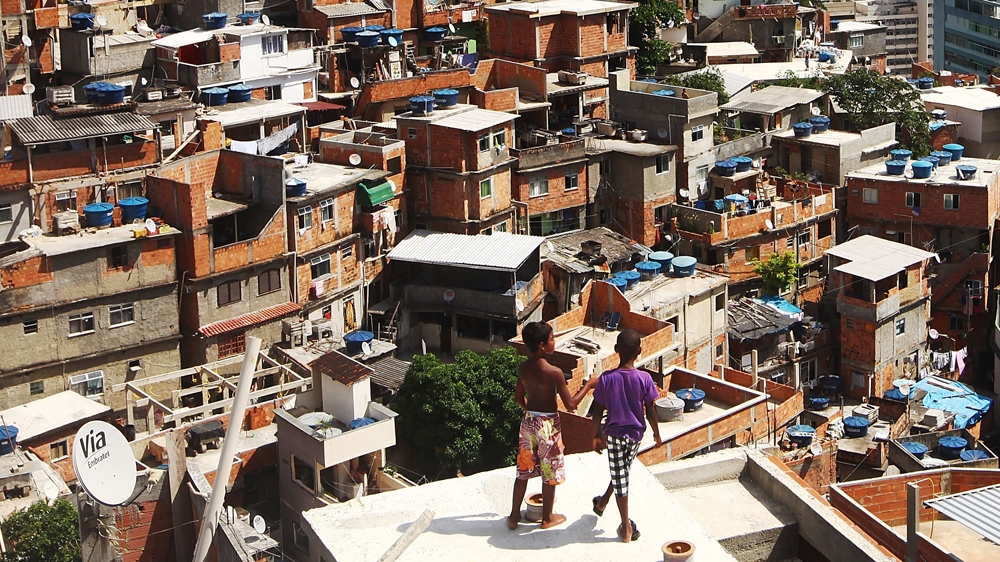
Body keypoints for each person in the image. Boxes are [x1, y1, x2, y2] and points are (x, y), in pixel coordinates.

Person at [508, 321, 599, 530]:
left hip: (529, 422)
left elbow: (518, 398)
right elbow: (571, 404)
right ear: (542, 345)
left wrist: (531, 412)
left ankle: (513, 517)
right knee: (549, 472)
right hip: (548, 425)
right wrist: (589, 385)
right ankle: (547, 518)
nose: (554, 342)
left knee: (523, 469)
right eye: (551, 339)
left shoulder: (523, 368)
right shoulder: (554, 372)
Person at [590, 329, 662, 543]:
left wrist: (595, 435)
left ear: (616, 350)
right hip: (636, 435)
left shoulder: (606, 378)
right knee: (622, 471)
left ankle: (626, 528)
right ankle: (602, 502)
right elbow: (651, 410)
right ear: (639, 351)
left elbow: (597, 411)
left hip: (614, 435)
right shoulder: (645, 378)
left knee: (620, 474)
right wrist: (657, 433)